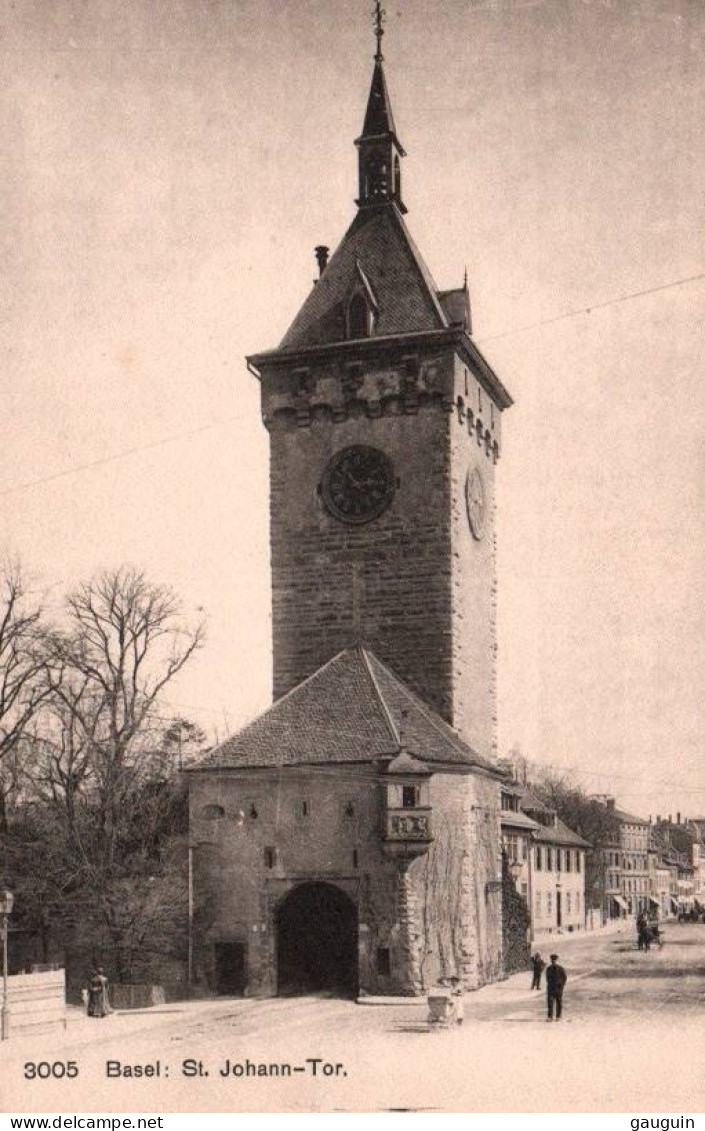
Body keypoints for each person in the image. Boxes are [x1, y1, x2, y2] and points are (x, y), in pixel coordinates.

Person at [545, 953, 567, 1021]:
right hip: (551, 988)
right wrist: (550, 985)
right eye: (552, 960)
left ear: (556, 960)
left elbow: (564, 977)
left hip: (558, 988)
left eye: (554, 960)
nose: (553, 962)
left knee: (559, 1002)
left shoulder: (560, 968)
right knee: (550, 1003)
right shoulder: (548, 969)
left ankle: (558, 1016)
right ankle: (550, 1017)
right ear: (551, 961)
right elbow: (547, 978)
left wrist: (562, 985)